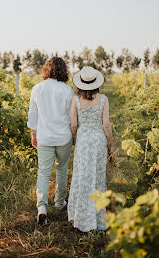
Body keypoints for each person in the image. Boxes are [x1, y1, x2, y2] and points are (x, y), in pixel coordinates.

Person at [27, 57, 74, 225]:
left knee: (43, 172)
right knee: (61, 169)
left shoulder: (37, 88)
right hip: (63, 137)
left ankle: (42, 208)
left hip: (45, 137)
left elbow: (33, 115)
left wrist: (34, 134)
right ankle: (60, 203)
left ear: (46, 69)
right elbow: (71, 118)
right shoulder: (68, 91)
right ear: (63, 71)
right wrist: (74, 136)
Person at [68, 66, 114, 232]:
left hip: (83, 140)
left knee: (81, 176)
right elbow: (106, 125)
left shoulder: (76, 100)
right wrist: (111, 144)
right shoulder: (103, 99)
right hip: (98, 141)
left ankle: (79, 215)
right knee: (98, 176)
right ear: (97, 83)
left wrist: (73, 139)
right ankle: (99, 217)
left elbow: (73, 124)